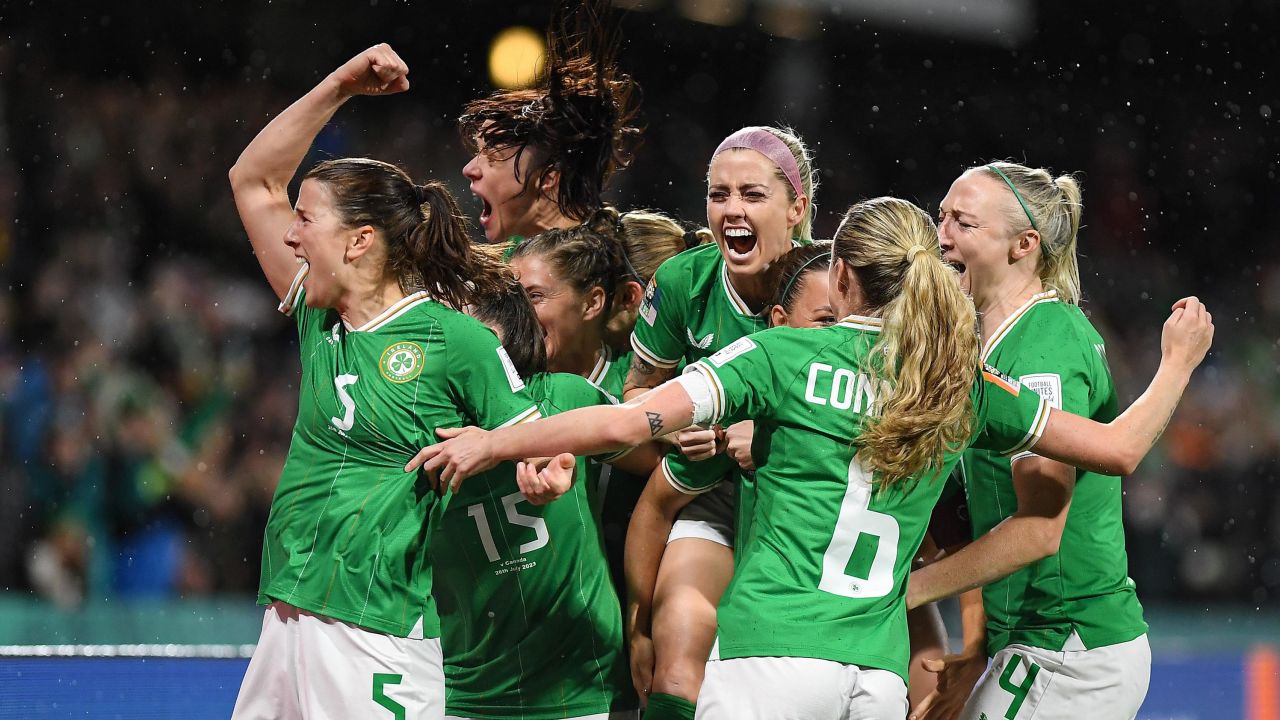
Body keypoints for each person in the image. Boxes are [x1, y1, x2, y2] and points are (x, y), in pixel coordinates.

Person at [405, 196, 1213, 719]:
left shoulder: (777, 359)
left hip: (773, 659)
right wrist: (1176, 363)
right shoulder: (954, 382)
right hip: (876, 676)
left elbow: (624, 426)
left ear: (842, 276)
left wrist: (496, 438)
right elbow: (1118, 448)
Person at [227, 45, 540, 719]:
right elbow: (252, 181)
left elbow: (538, 439)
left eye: (305, 220)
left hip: (377, 633)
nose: (291, 237)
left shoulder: (457, 342)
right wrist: (339, 84)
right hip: (288, 615)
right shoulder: (318, 312)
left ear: (359, 240)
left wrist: (541, 466)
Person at [905, 162, 1154, 720]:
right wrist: (978, 643)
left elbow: (1039, 530)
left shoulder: (1041, 354)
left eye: (963, 223)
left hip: (1068, 648)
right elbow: (982, 524)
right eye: (940, 216)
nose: (940, 234)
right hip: (1032, 639)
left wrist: (907, 591)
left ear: (1024, 244)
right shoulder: (983, 341)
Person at [620, 124, 818, 718]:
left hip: (812, 499)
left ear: (797, 208)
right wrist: (670, 426)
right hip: (712, 494)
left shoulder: (837, 281)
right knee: (678, 637)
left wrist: (781, 433)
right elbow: (636, 394)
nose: (731, 209)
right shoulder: (685, 281)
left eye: (752, 195)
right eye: (718, 193)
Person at [439, 274, 659, 720]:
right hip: (462, 694)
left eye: (474, 343)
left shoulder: (564, 399)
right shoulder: (416, 432)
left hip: (583, 689)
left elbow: (660, 465)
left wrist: (642, 620)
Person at [508, 207, 702, 602]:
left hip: (628, 598)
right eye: (510, 298)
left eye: (534, 297)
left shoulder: (655, 387)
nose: (517, 314)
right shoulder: (497, 383)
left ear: (593, 302)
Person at [458, 0, 641, 245]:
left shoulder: (615, 272)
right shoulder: (508, 266)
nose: (469, 169)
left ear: (548, 179)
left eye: (492, 156)